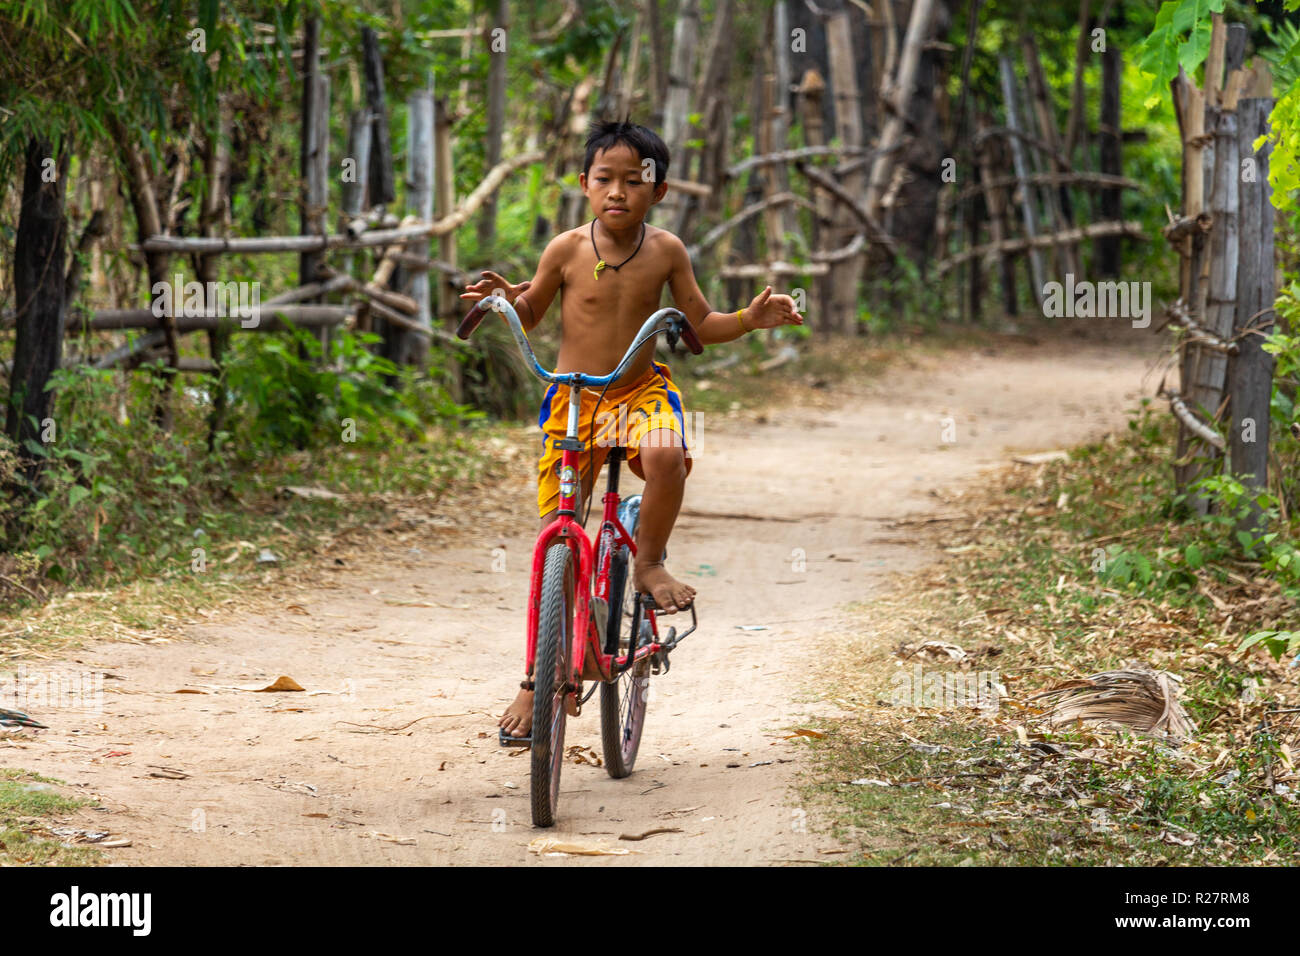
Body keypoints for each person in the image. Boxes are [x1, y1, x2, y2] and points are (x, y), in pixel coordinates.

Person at [460, 120, 803, 738]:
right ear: (584, 186)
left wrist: (748, 320)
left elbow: (700, 320)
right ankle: (539, 677)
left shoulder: (666, 250)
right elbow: (536, 308)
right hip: (572, 398)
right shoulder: (565, 249)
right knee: (556, 543)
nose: (617, 191)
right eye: (604, 180)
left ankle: (646, 563)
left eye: (633, 181)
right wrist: (509, 298)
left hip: (638, 392)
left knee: (666, 453)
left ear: (659, 190)